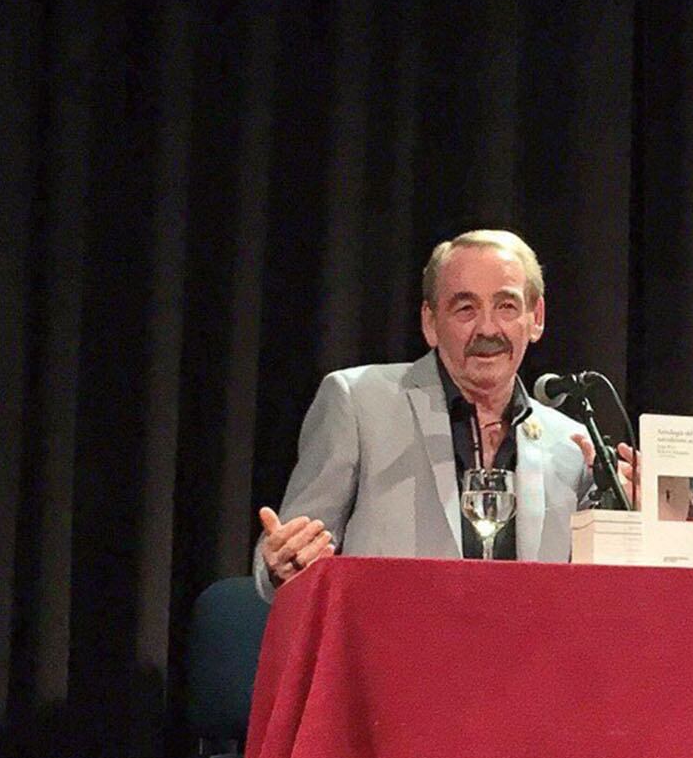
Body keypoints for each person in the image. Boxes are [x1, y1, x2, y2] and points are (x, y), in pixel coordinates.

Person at [254, 229, 601, 599]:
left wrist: (633, 517)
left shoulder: (572, 445)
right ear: (430, 323)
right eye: (465, 308)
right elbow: (288, 553)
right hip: (389, 635)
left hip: (525, 637)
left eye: (506, 306)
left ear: (536, 318)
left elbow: (595, 595)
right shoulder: (358, 402)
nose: (487, 328)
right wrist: (280, 566)